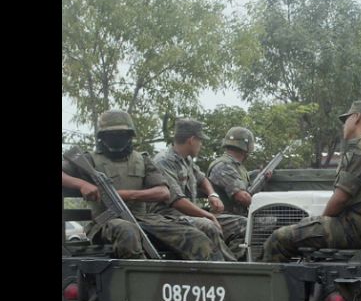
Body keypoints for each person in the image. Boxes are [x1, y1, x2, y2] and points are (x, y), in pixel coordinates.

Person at [262, 100, 361, 262]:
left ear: (356, 117)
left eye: (346, 120)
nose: (344, 125)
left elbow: (340, 199)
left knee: (277, 239)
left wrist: (321, 221)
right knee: (304, 227)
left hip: (357, 229)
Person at [61, 110, 221, 260]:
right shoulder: (89, 160)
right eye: (112, 134)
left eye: (122, 134)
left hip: (144, 219)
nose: (117, 137)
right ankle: (139, 277)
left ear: (130, 135)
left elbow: (163, 192)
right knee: (127, 231)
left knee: (195, 237)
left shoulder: (142, 160)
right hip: (105, 223)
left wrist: (125, 195)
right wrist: (81, 184)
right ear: (102, 136)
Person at [151, 118, 245, 261]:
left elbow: (202, 179)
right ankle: (230, 268)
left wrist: (212, 194)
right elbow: (177, 201)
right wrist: (208, 215)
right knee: (208, 225)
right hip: (168, 218)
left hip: (190, 216)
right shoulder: (164, 161)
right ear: (192, 140)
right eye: (200, 141)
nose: (201, 144)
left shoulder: (186, 160)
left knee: (243, 224)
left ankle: (238, 261)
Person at [206, 126, 267, 217]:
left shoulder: (236, 166)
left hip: (237, 215)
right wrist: (267, 203)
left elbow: (247, 192)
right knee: (268, 221)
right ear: (247, 147)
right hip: (224, 216)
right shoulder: (223, 166)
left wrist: (263, 179)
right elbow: (243, 198)